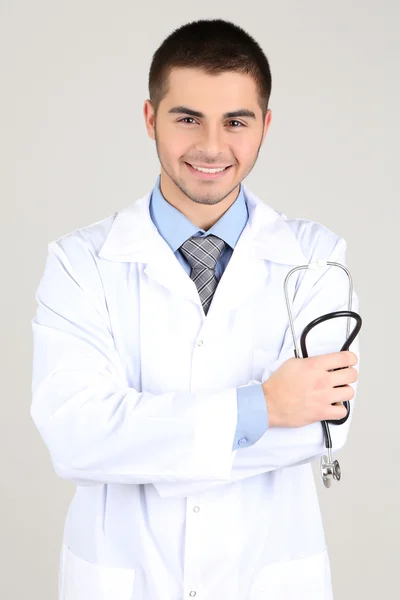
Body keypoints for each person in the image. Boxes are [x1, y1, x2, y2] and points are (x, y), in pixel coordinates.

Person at [30, 18, 360, 600]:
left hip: (268, 578)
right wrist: (262, 406)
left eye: (236, 121)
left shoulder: (315, 260)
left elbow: (322, 428)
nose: (211, 146)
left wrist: (138, 442)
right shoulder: (81, 263)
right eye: (188, 119)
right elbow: (75, 435)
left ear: (265, 127)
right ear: (151, 119)